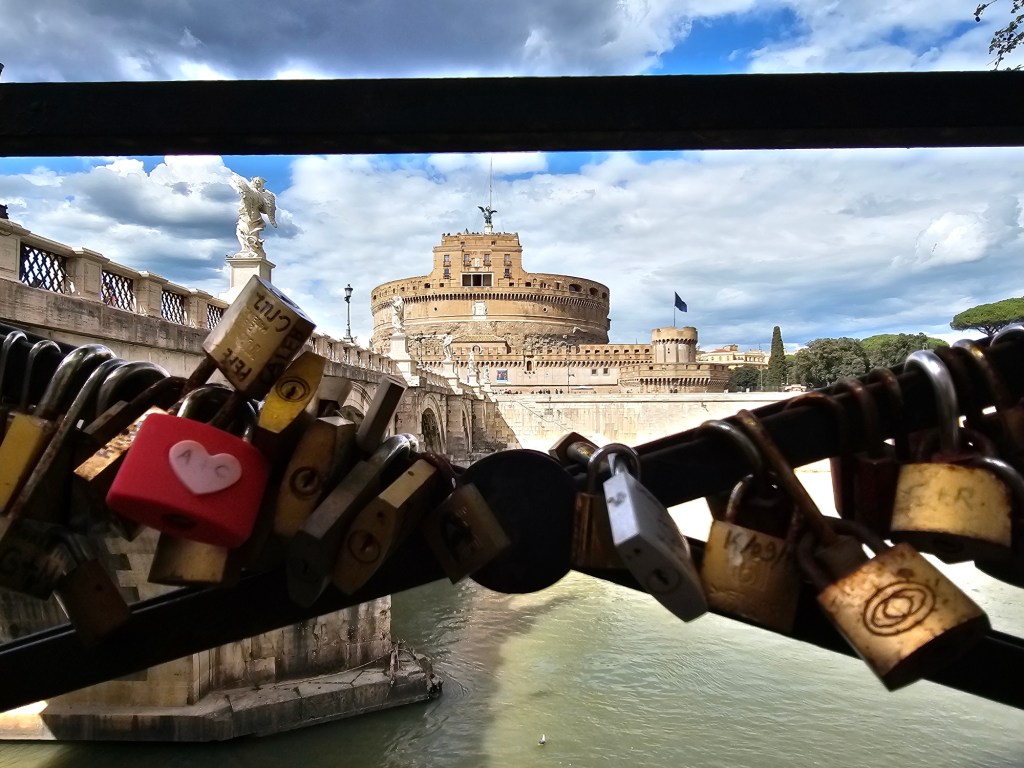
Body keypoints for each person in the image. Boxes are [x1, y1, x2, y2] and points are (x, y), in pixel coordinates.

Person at [231, 174, 277, 256]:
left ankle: (246, 249)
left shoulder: (251, 191)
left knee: (242, 231)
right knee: (251, 233)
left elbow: (245, 199)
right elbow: (265, 210)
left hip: (247, 214)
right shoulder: (262, 196)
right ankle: (252, 249)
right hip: (255, 215)